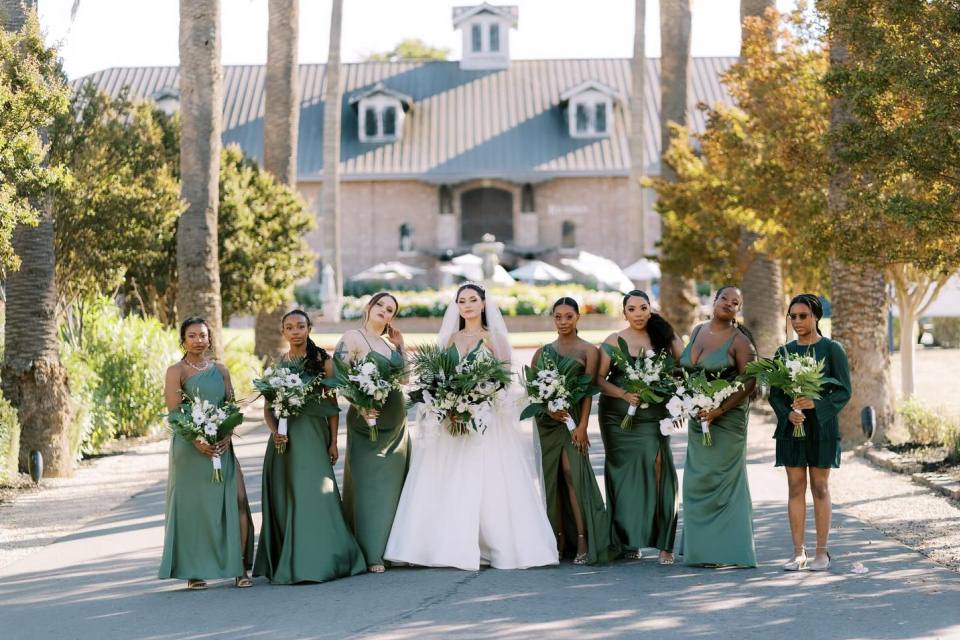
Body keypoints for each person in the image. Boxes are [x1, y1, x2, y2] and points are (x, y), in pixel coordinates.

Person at [384, 283, 559, 570]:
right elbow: (438, 375)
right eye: (462, 300)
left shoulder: (494, 337)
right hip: (453, 417)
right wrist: (449, 404)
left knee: (489, 478)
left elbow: (505, 380)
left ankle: (494, 543)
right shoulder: (451, 337)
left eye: (472, 300)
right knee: (452, 476)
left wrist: (480, 401)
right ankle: (444, 544)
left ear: (483, 303)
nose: (467, 305)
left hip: (486, 419)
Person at [253, 310, 366, 583]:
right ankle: (291, 561)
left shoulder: (324, 362)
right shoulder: (278, 365)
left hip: (313, 438)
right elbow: (268, 409)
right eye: (289, 327)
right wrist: (273, 432)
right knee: (288, 497)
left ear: (309, 328)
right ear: (283, 331)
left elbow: (332, 407)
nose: (295, 331)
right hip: (284, 441)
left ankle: (328, 558)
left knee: (316, 494)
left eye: (300, 326)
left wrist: (333, 442)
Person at [159, 317, 253, 589]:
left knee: (237, 500)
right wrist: (197, 440)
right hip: (190, 449)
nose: (198, 340)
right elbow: (175, 414)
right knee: (192, 508)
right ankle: (194, 572)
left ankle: (240, 568)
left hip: (221, 445)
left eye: (203, 335)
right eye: (192, 335)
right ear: (183, 339)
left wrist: (224, 435)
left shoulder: (221, 370)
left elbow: (230, 407)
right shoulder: (176, 371)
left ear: (210, 338)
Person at [597, 290, 683, 564]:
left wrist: (680, 401)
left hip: (654, 418)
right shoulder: (614, 340)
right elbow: (598, 380)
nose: (638, 313)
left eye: (643, 307)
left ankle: (665, 543)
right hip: (617, 420)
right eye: (632, 309)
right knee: (622, 477)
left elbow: (689, 367)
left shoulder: (665, 336)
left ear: (651, 308)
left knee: (660, 470)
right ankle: (627, 540)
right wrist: (623, 395)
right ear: (624, 313)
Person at [533, 297, 620, 565]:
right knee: (553, 479)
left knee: (573, 476)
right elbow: (534, 393)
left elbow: (587, 393)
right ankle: (557, 539)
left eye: (568, 316)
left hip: (572, 423)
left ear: (577, 318)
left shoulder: (588, 351)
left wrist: (582, 426)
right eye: (557, 317)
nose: (562, 322)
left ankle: (583, 537)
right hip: (549, 424)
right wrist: (548, 411)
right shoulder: (542, 352)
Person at [770, 294, 851, 572]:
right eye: (793, 316)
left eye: (803, 316)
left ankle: (821, 553)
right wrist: (787, 413)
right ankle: (797, 553)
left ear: (816, 316)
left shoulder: (832, 349)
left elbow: (843, 390)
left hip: (822, 428)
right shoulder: (784, 352)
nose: (797, 321)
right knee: (795, 487)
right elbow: (775, 394)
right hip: (791, 428)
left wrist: (816, 403)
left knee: (819, 487)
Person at [679, 286, 758, 568]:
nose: (728, 304)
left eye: (735, 302)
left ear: (739, 310)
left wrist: (719, 409)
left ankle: (727, 551)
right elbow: (686, 370)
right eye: (724, 298)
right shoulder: (699, 329)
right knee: (696, 482)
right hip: (698, 417)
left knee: (721, 483)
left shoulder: (740, 342)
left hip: (727, 420)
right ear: (714, 300)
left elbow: (750, 382)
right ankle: (701, 549)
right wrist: (685, 401)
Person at [334, 293, 409, 573]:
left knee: (391, 487)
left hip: (395, 427)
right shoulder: (353, 337)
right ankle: (371, 553)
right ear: (368, 307)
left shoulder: (389, 344)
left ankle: (392, 550)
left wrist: (401, 346)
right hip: (367, 423)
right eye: (380, 305)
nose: (384, 311)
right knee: (370, 487)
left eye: (390, 310)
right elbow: (340, 379)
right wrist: (361, 407)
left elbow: (405, 378)